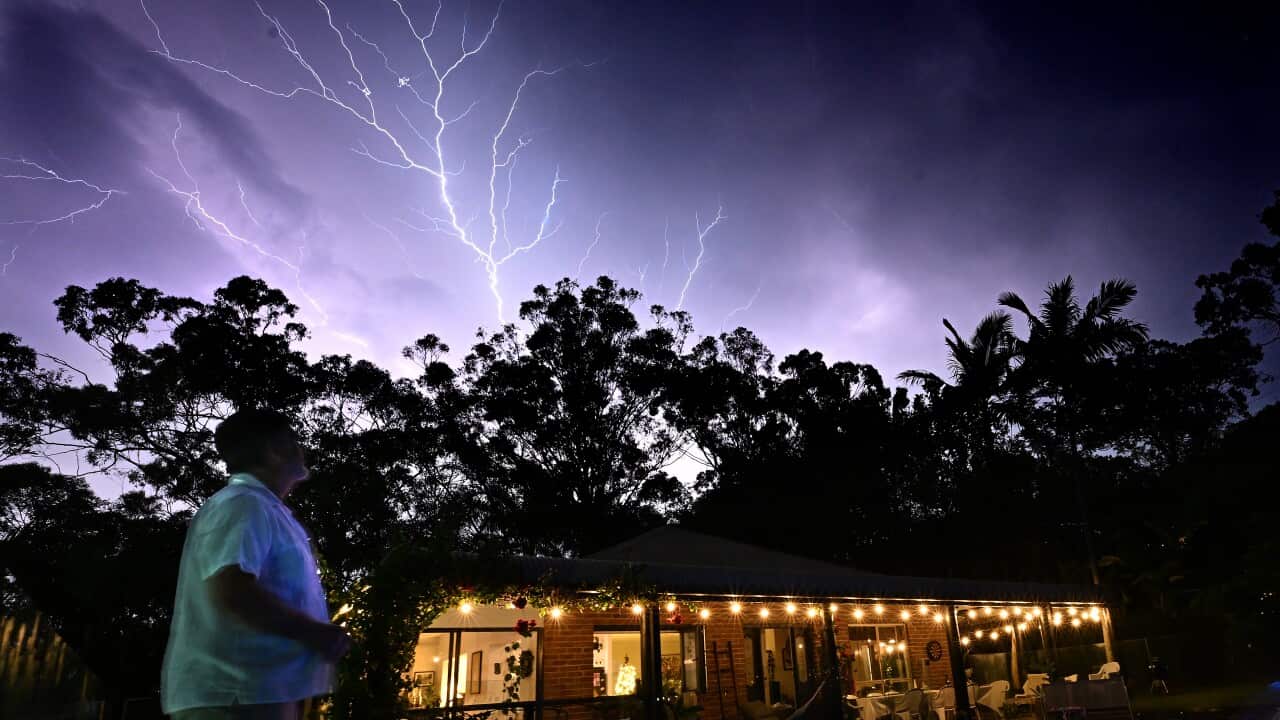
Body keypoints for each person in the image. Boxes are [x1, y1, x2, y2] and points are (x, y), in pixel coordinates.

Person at [162, 409, 351, 719]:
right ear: (273, 450)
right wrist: (315, 633)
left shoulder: (262, 508)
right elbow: (232, 589)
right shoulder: (243, 503)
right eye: (293, 440)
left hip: (257, 695)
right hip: (237, 698)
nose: (301, 449)